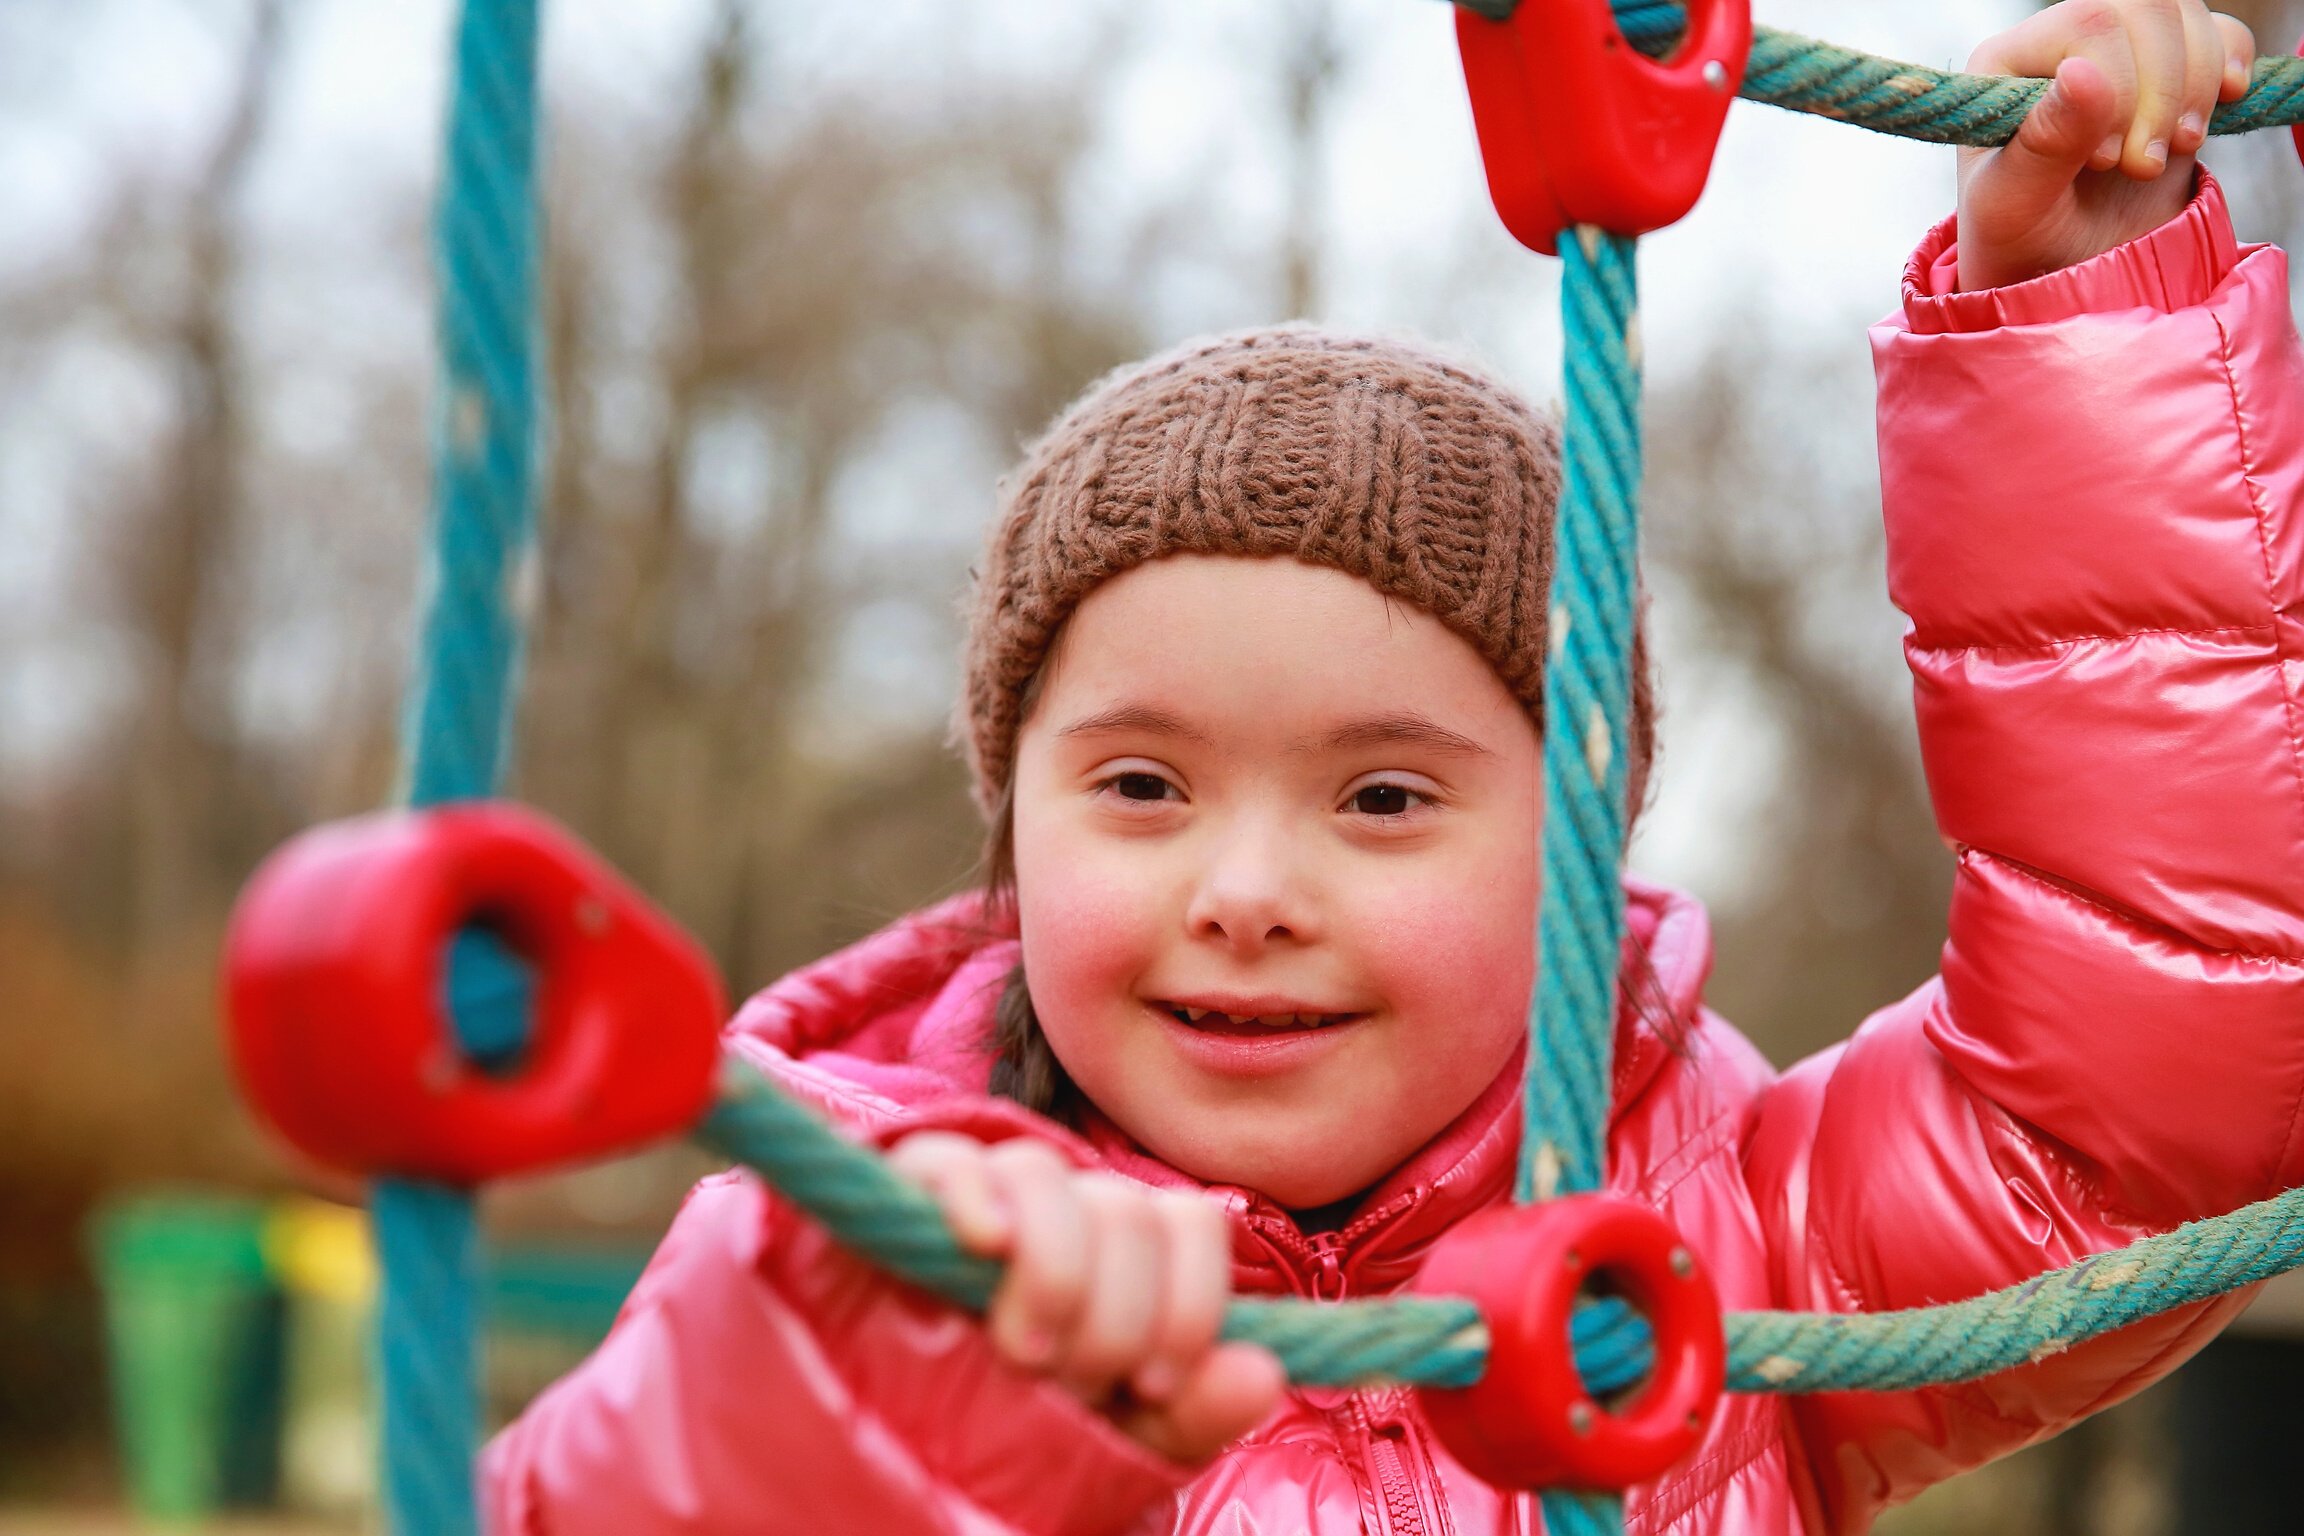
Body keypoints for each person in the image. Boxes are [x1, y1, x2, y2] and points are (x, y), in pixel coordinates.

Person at [480, 3, 2304, 1530]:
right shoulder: (852, 1255)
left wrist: (2094, 329)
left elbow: (2148, 1102)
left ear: (1575, 847)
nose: (1247, 893)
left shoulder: (1721, 1234)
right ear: (1009, 819)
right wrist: (871, 1382)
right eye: (1139, 787)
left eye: (1381, 798)